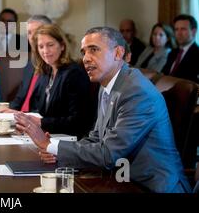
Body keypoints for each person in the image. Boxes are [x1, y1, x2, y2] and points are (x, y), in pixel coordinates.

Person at [15, 26, 191, 193]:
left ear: (118, 53)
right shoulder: (107, 83)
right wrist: (55, 151)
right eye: (84, 52)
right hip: (120, 179)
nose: (86, 58)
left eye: (94, 49)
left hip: (151, 186)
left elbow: (108, 154)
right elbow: (97, 137)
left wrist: (49, 144)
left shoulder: (137, 92)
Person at [14, 24, 92, 138]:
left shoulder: (74, 73)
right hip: (46, 135)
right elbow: (39, 110)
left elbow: (77, 121)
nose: (45, 51)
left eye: (50, 45)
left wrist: (41, 122)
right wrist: (24, 120)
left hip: (68, 139)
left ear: (62, 46)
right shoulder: (46, 72)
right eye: (41, 46)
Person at [8, 15, 52, 112]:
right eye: (29, 33)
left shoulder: (52, 66)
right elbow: (19, 98)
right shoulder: (30, 64)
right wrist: (4, 111)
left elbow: (45, 107)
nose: (32, 37)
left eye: (37, 32)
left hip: (33, 120)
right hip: (18, 117)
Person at [162, 14, 199, 83]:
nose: (179, 33)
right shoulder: (172, 52)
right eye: (176, 29)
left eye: (183, 29)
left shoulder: (197, 54)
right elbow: (164, 74)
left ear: (193, 32)